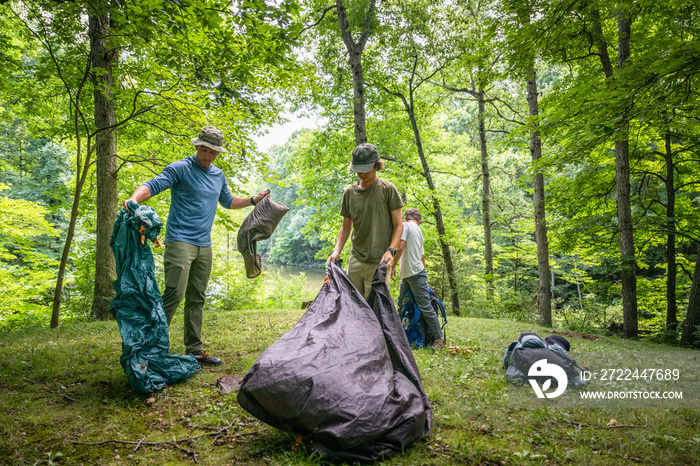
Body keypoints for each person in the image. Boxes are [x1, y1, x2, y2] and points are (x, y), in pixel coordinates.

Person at [122, 126, 269, 366]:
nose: (205, 155)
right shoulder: (180, 168)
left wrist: (253, 200)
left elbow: (228, 201)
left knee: (197, 297)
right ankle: (152, 347)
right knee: (174, 293)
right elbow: (155, 184)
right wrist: (134, 199)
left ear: (217, 154)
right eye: (202, 149)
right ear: (196, 146)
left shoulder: (218, 176)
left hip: (204, 244)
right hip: (180, 240)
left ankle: (194, 349)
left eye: (211, 152)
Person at [327, 143, 403, 298]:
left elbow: (399, 225)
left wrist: (391, 251)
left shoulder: (388, 189)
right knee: (353, 308)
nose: (361, 173)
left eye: (365, 168)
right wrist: (337, 251)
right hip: (356, 259)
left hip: (379, 262)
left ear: (377, 165)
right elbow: (346, 227)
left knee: (376, 312)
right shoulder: (350, 192)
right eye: (358, 169)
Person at [391, 208, 445, 349]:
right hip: (411, 273)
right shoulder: (418, 230)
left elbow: (400, 247)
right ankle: (398, 335)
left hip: (414, 273)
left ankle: (439, 339)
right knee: (402, 304)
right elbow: (422, 257)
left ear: (404, 218)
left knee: (424, 306)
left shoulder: (405, 226)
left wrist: (393, 265)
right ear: (419, 220)